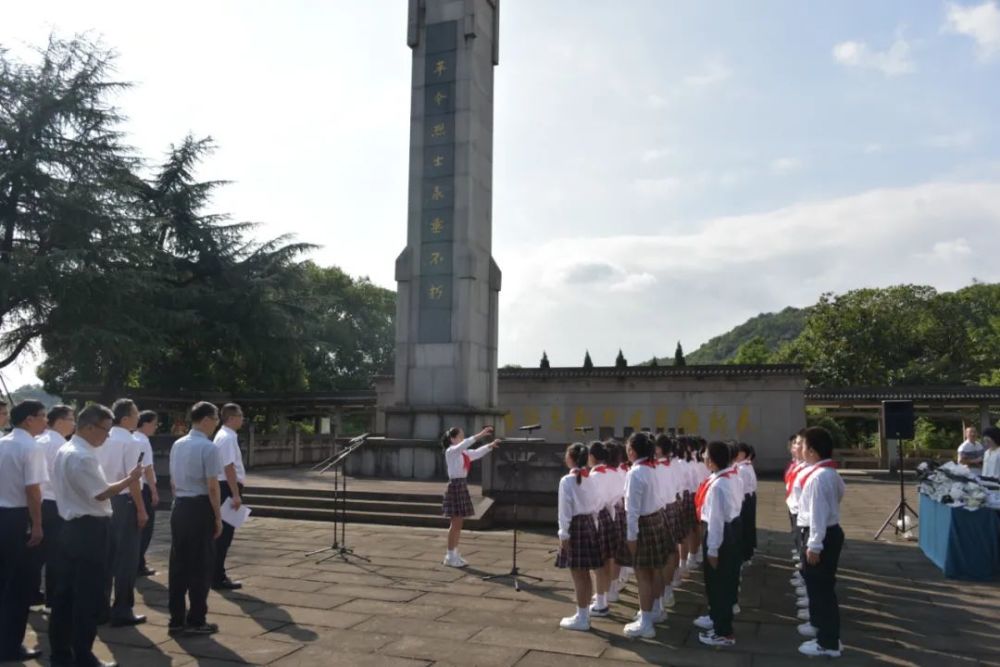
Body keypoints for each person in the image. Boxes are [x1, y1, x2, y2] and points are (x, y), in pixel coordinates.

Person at [49, 404, 144, 667]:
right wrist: (130, 479)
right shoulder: (83, 455)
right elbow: (101, 493)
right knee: (87, 596)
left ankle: (60, 654)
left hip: (69, 527)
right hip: (89, 529)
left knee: (64, 596)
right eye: (105, 429)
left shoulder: (65, 449)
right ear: (89, 426)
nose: (107, 436)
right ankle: (83, 654)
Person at [168, 402, 224, 636]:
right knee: (201, 566)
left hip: (179, 506)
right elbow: (212, 487)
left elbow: (172, 480)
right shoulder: (208, 448)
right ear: (206, 420)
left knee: (178, 564)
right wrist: (218, 517)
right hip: (200, 507)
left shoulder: (178, 444)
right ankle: (196, 619)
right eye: (216, 419)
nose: (217, 424)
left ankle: (176, 618)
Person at [0, 400, 48, 662]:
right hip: (18, 517)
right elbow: (33, 490)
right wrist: (38, 524)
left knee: (3, 582)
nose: (45, 421)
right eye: (42, 416)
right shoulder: (30, 446)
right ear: (29, 420)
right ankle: (10, 646)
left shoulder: (4, 442)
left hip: (2, 514)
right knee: (19, 587)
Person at [95, 399, 147, 627]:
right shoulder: (130, 441)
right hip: (124, 500)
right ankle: (123, 608)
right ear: (125, 418)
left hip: (103, 498)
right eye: (136, 414)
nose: (139, 418)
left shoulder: (102, 438)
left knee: (105, 556)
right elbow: (133, 480)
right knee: (127, 557)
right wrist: (141, 508)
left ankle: (100, 607)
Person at [796, 426, 845, 658]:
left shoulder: (818, 478)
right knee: (821, 588)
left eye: (803, 446)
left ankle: (828, 643)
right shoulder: (830, 473)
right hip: (830, 531)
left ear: (813, 451)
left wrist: (814, 545)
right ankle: (825, 633)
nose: (800, 450)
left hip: (820, 534)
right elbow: (840, 494)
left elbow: (817, 514)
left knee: (821, 590)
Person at [618, 431, 669, 640]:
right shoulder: (653, 468)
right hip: (657, 519)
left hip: (643, 524)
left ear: (632, 450)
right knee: (655, 570)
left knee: (642, 574)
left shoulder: (635, 472)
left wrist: (631, 537)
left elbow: (632, 509)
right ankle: (656, 610)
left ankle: (646, 622)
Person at [693, 440, 742, 648]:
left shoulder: (719, 486)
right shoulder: (729, 477)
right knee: (726, 582)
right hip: (730, 532)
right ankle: (719, 620)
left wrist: (713, 549)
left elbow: (715, 520)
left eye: (705, 455)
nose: (703, 458)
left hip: (719, 535)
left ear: (712, 460)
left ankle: (724, 632)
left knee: (718, 584)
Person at [28, 405, 76, 609]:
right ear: (59, 422)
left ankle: (31, 593)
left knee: (36, 553)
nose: (74, 423)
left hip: (36, 502)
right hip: (54, 503)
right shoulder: (60, 445)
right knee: (57, 554)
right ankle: (53, 597)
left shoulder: (38, 440)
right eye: (71, 419)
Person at [556, 443, 604, 631]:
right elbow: (597, 503)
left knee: (578, 574)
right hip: (589, 524)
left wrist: (563, 534)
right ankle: (582, 614)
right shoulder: (591, 478)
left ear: (571, 458)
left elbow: (564, 511)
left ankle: (582, 617)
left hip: (575, 527)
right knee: (585, 574)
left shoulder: (567, 480)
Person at [441, 425, 500, 567]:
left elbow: (476, 452)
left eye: (463, 436)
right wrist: (481, 434)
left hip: (461, 485)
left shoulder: (463, 453)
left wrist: (490, 445)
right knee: (454, 523)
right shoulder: (451, 451)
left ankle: (454, 552)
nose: (462, 439)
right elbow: (467, 443)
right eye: (460, 436)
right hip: (455, 486)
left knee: (459, 522)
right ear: (452, 439)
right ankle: (449, 555)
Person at [212, 403, 246, 591]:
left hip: (225, 486)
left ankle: (216, 572)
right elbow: (228, 467)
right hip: (226, 488)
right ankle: (217, 575)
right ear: (232, 418)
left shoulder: (225, 436)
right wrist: (235, 494)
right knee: (224, 534)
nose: (242, 420)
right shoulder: (226, 437)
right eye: (240, 416)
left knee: (223, 533)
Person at [586, 441, 619, 618]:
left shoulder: (595, 476)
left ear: (592, 457)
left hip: (597, 517)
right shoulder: (610, 472)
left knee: (598, 563)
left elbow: (592, 501)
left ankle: (600, 603)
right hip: (609, 515)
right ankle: (602, 596)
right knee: (607, 560)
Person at [133, 410, 159, 577]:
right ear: (146, 423)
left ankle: (135, 561)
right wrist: (154, 491)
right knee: (146, 528)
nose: (155, 428)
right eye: (154, 424)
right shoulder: (143, 441)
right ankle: (139, 563)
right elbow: (148, 468)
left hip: (131, 487)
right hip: (143, 487)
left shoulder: (132, 438)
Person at [735, 442, 758, 565]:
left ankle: (746, 555)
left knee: (745, 527)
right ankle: (748, 553)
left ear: (743, 454)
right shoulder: (745, 466)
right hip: (749, 497)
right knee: (748, 526)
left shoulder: (742, 469)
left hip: (745, 499)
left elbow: (740, 488)